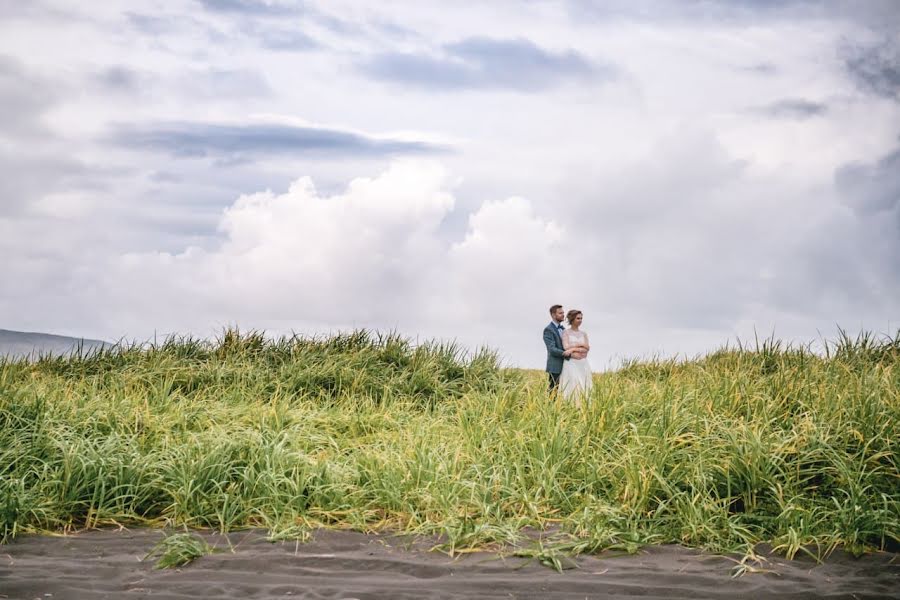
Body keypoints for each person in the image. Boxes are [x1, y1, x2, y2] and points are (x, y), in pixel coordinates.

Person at [559, 309, 593, 404]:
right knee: (573, 384)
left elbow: (587, 349)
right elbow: (566, 347)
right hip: (571, 363)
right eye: (578, 318)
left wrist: (573, 349)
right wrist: (580, 346)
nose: (580, 320)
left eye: (581, 318)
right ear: (572, 319)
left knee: (584, 384)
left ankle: (584, 405)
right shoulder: (566, 332)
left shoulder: (583, 333)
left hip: (583, 363)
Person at [543, 304, 573, 393]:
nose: (563, 315)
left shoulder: (563, 329)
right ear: (553, 315)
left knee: (565, 390)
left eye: (563, 313)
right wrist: (565, 353)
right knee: (553, 390)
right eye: (560, 313)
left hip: (566, 365)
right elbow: (551, 349)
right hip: (555, 366)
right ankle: (550, 407)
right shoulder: (548, 330)